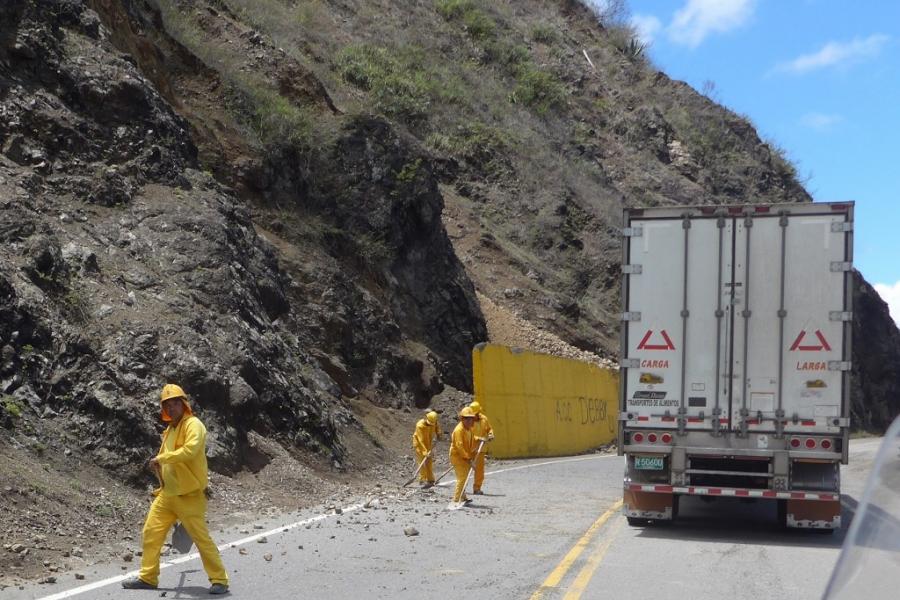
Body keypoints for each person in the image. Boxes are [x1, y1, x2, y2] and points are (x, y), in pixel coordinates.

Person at [122, 384, 229, 595]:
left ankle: (220, 580)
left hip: (189, 496)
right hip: (167, 495)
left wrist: (161, 458)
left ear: (184, 404)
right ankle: (148, 577)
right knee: (151, 532)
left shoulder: (194, 425)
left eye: (175, 403)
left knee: (201, 538)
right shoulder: (170, 429)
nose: (172, 408)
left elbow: (189, 451)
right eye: (167, 405)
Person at [450, 406, 478, 503]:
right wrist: (469, 460)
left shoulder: (469, 429)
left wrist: (479, 439)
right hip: (458, 456)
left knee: (464, 477)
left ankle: (463, 496)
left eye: (471, 418)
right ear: (462, 419)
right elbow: (459, 447)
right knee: (462, 477)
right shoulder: (459, 430)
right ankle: (456, 499)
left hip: (465, 456)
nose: (469, 421)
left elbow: (472, 439)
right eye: (467, 418)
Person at [469, 401, 494, 495]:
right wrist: (478, 438)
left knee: (479, 470)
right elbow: (468, 434)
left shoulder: (484, 418)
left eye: (476, 413)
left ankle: (477, 488)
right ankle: (461, 489)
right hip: (470, 448)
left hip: (481, 448)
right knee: (465, 468)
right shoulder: (468, 421)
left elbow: (489, 428)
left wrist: (491, 433)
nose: (475, 416)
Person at [412, 410, 442, 487]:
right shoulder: (420, 426)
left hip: (428, 443)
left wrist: (438, 433)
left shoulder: (433, 421)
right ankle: (422, 479)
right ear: (426, 418)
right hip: (419, 444)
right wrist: (425, 451)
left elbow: (437, 426)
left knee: (429, 461)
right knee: (422, 462)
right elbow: (420, 440)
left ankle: (430, 479)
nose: (430, 425)